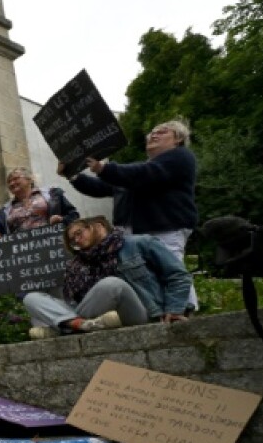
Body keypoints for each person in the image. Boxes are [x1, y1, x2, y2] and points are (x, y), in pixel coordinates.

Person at [66, 119, 198, 309]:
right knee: (143, 275)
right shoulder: (139, 171)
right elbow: (101, 187)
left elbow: (144, 173)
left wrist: (105, 168)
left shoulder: (180, 157)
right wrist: (74, 176)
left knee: (170, 267)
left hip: (164, 227)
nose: (154, 134)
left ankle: (185, 309)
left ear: (178, 139)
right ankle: (156, 310)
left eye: (162, 131)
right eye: (152, 131)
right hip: (134, 231)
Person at [23, 217, 191, 339]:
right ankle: (79, 325)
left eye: (79, 233)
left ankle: (63, 328)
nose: (76, 240)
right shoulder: (76, 266)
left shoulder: (140, 243)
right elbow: (75, 303)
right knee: (31, 298)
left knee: (112, 284)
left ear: (98, 226)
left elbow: (177, 274)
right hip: (94, 318)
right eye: (73, 240)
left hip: (139, 312)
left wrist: (174, 309)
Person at [0, 167, 79, 236]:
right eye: (9, 182)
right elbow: (2, 235)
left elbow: (74, 215)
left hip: (53, 244)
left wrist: (62, 220)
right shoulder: (4, 211)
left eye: (16, 179)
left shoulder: (52, 194)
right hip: (22, 252)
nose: (12, 183)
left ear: (30, 179)